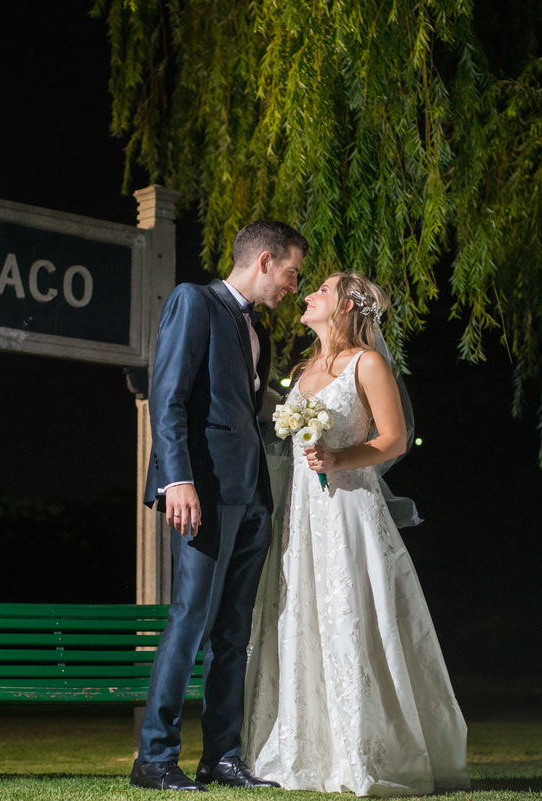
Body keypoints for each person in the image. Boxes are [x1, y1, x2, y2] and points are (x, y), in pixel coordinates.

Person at [242, 271, 470, 796]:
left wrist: (338, 458)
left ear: (346, 306)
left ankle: (363, 751)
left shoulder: (367, 364)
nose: (308, 294)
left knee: (353, 615)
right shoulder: (304, 370)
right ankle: (304, 751)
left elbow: (394, 439)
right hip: (303, 515)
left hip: (348, 510)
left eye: (322, 289)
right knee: (303, 615)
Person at [131, 220, 308, 792]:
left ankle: (223, 757)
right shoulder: (194, 302)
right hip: (202, 495)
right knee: (191, 620)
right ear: (264, 261)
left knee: (233, 632)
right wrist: (177, 479)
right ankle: (154, 758)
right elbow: (168, 396)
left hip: (252, 498)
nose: (294, 287)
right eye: (291, 273)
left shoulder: (256, 330)